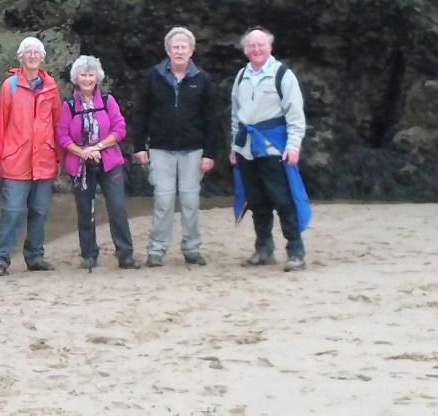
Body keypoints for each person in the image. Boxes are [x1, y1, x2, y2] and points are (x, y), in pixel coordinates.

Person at [132, 26, 218, 267]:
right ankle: (156, 250)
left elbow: (212, 119)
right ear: (168, 50)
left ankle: (191, 249)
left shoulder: (202, 79)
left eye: (184, 47)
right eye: (175, 47)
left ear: (191, 51)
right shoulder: (153, 76)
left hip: (194, 150)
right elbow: (141, 112)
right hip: (161, 149)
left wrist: (210, 153)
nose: (179, 51)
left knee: (191, 202)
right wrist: (140, 145)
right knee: (163, 200)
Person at [229, 25, 307, 272]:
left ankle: (295, 251)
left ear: (270, 47)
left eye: (261, 44)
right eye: (252, 45)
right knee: (256, 201)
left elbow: (295, 114)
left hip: (274, 147)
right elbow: (235, 115)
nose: (256, 49)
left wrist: (293, 146)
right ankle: (263, 249)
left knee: (283, 200)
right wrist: (234, 146)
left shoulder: (283, 75)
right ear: (245, 49)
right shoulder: (241, 76)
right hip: (246, 149)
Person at [57, 55, 142, 271]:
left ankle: (125, 254)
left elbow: (120, 128)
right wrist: (83, 152)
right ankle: (89, 254)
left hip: (109, 161)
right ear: (76, 78)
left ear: (97, 78)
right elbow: (63, 136)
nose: (87, 79)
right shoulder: (68, 105)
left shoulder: (107, 101)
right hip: (80, 164)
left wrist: (97, 147)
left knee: (117, 207)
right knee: (85, 210)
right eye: (83, 75)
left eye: (91, 74)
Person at [0, 37, 62, 276]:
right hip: (16, 158)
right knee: (12, 210)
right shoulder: (9, 86)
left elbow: (57, 123)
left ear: (42, 57)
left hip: (44, 159)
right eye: (28, 52)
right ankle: (1, 258)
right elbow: (1, 124)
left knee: (40, 210)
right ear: (20, 57)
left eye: (36, 52)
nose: (32, 56)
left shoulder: (51, 87)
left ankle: (35, 256)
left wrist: (58, 158)